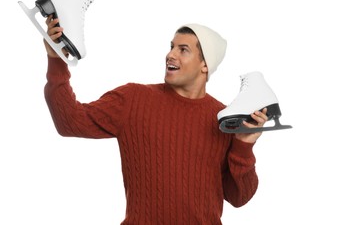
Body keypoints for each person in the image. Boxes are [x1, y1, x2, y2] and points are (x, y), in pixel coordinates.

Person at [43, 15, 268, 224]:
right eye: (171, 47)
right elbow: (69, 121)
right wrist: (56, 60)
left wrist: (243, 146)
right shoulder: (132, 99)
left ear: (205, 65)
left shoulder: (222, 119)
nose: (171, 55)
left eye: (183, 50)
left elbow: (239, 197)